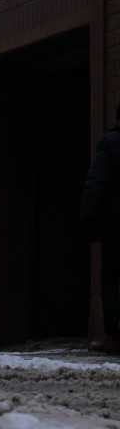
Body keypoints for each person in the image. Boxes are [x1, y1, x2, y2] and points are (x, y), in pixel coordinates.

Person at [80, 102, 120, 353]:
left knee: (111, 277)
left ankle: (113, 336)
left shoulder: (109, 143)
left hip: (115, 225)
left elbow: (96, 182)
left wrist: (87, 217)